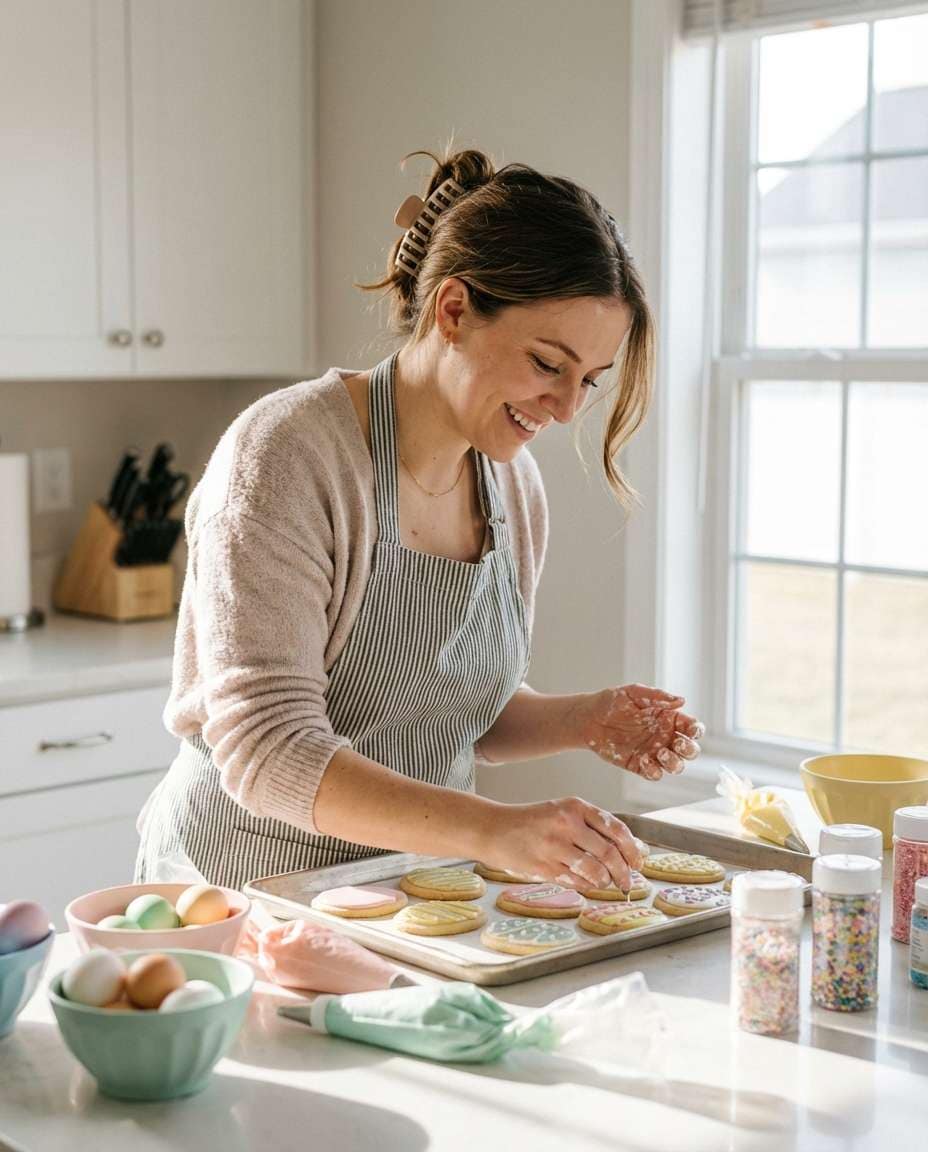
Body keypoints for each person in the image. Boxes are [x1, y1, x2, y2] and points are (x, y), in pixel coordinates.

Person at [135, 146, 705, 894]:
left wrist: (586, 718)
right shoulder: (287, 456)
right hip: (242, 895)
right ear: (455, 310)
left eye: (588, 381)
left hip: (409, 893)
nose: (567, 409)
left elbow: (444, 713)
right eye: (546, 364)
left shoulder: (511, 483)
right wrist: (493, 829)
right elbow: (268, 749)